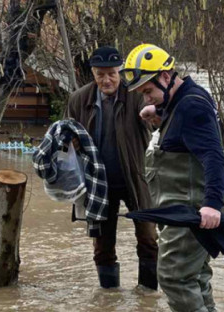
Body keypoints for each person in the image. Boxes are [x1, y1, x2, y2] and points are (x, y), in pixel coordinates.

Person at [121, 43, 224, 312]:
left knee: (172, 274)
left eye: (147, 91)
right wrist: (158, 109)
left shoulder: (192, 105)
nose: (145, 97)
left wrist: (211, 205)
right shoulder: (184, 98)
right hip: (183, 203)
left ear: (166, 76)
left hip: (194, 207)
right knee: (194, 273)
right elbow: (180, 114)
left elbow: (214, 157)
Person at [65, 46, 159, 290]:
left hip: (136, 178)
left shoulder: (138, 95)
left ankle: (147, 295)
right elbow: (67, 137)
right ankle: (108, 299)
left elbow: (160, 124)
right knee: (102, 246)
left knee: (149, 239)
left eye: (112, 74)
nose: (106, 80)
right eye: (99, 74)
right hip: (98, 183)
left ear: (120, 73)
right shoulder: (79, 99)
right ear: (93, 74)